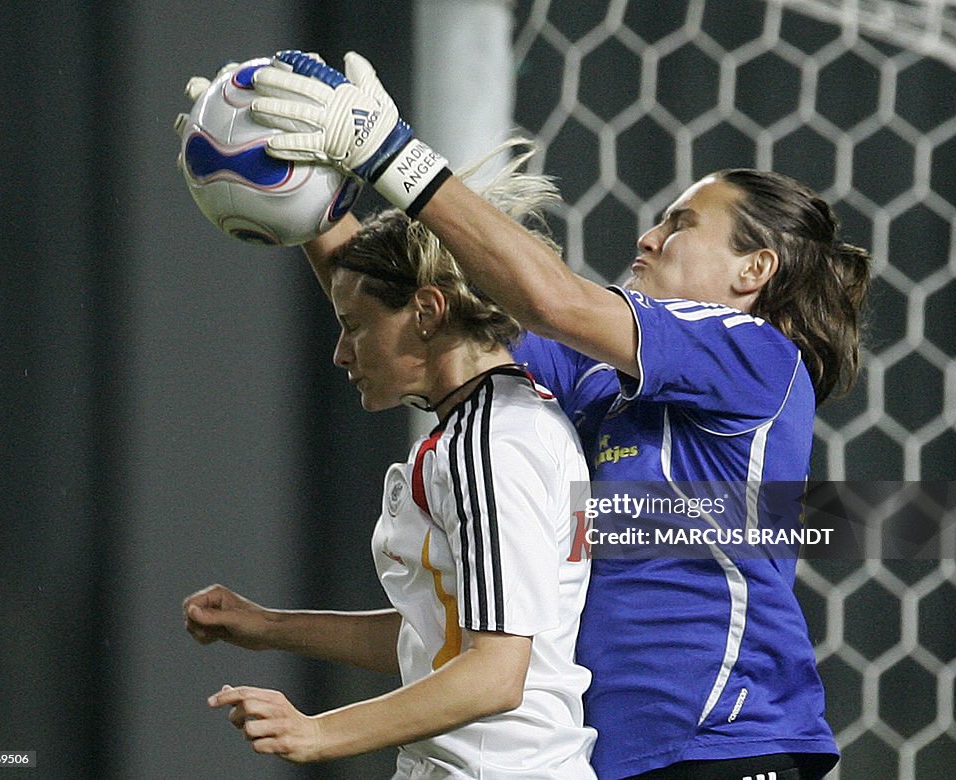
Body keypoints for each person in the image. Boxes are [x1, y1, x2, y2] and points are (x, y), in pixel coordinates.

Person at [242, 51, 873, 780]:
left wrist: (391, 153)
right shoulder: (594, 384)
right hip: (619, 760)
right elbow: (426, 323)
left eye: (680, 224)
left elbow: (554, 301)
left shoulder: (758, 357)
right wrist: (303, 198)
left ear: (753, 270)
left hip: (728, 746)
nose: (648, 237)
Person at [181, 136, 598, 776]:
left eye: (354, 325)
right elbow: (438, 639)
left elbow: (495, 675)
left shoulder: (491, 447)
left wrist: (319, 733)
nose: (341, 353)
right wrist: (268, 626)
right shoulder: (497, 424)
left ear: (428, 312)